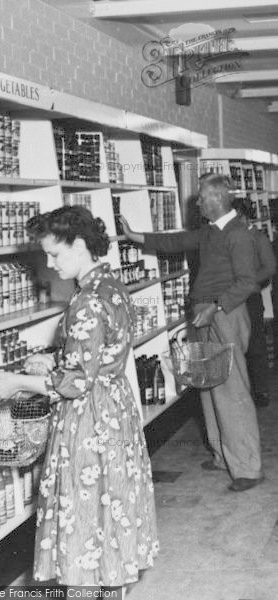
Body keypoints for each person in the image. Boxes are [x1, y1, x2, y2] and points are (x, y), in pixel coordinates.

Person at [0, 206, 159, 588]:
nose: (48, 263)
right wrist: (54, 360)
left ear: (79, 245)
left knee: (81, 517)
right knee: (110, 515)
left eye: (55, 253)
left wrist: (15, 382)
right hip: (115, 409)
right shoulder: (110, 285)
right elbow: (99, 355)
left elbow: (77, 382)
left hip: (89, 419)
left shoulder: (86, 301)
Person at [120, 173, 264, 493]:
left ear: (216, 198)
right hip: (204, 314)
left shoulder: (238, 234)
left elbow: (248, 282)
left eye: (200, 197)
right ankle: (222, 456)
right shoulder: (210, 232)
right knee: (208, 384)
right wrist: (134, 235)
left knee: (232, 390)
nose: (197, 202)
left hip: (224, 313)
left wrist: (215, 306)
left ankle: (248, 467)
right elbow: (174, 242)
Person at [233, 197, 276, 407]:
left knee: (255, 344)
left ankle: (260, 391)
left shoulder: (258, 238)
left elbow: (269, 269)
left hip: (250, 298)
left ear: (243, 217)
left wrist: (246, 279)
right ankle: (241, 391)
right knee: (235, 345)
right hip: (232, 299)